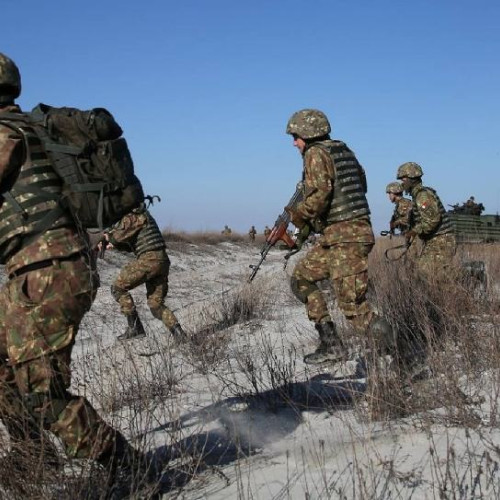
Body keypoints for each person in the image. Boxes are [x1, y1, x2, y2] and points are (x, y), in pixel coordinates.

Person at [0, 52, 150, 492]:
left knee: (41, 390)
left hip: (48, 272)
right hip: (37, 270)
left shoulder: (6, 132)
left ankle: (125, 463)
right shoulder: (26, 128)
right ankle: (36, 457)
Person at [284, 109, 393, 365]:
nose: (294, 142)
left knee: (354, 307)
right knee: (301, 278)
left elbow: (319, 197)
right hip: (339, 236)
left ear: (309, 134)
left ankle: (409, 356)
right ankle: (331, 344)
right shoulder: (344, 151)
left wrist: (296, 215)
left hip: (347, 238)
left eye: (296, 136)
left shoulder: (314, 153)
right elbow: (360, 186)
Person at [103, 204, 186, 341]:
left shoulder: (134, 214)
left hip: (150, 259)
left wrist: (107, 237)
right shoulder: (143, 215)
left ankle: (135, 327)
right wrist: (111, 242)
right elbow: (129, 243)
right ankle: (179, 335)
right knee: (155, 304)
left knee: (117, 287)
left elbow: (117, 236)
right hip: (162, 261)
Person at [396, 162, 456, 279]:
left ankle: (472, 271)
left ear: (412, 178)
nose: (402, 183)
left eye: (403, 179)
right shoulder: (417, 196)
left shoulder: (422, 195)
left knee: (432, 273)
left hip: (442, 239)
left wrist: (414, 231)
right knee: (426, 272)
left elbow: (432, 220)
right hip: (435, 240)